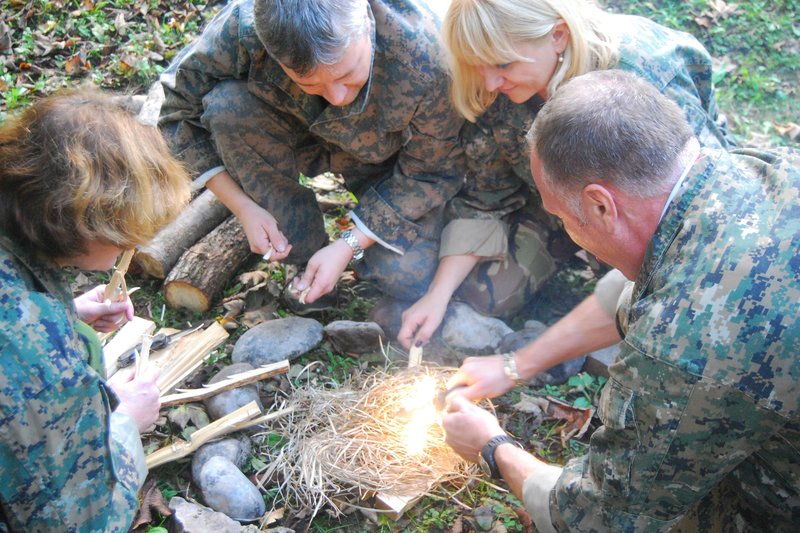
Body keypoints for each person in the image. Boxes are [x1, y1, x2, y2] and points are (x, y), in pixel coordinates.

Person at [442, 69, 799, 532]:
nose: (571, 233)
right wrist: (517, 365)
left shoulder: (683, 342)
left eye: (563, 217)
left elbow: (601, 517)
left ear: (600, 206)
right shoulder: (759, 173)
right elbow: (638, 289)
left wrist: (493, 447)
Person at [398, 0, 736, 349]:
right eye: (476, 65)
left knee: (657, 317)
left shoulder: (637, 69)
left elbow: (700, 194)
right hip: (558, 208)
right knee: (482, 293)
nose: (490, 80)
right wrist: (437, 295)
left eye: (503, 63)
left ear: (558, 35)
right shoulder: (494, 87)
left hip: (641, 212)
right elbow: (487, 195)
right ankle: (582, 262)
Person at [158, 0, 466, 310]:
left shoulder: (426, 54)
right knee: (228, 107)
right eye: (309, 82)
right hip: (294, 130)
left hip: (385, 162)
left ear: (366, 24)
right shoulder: (243, 27)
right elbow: (176, 113)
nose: (338, 97)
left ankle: (354, 253)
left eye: (348, 75)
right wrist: (243, 207)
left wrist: (349, 245)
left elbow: (431, 171)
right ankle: (304, 259)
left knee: (407, 277)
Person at [0, 87, 192, 531]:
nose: (134, 244)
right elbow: (78, 520)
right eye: (125, 232)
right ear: (83, 224)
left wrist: (65, 314)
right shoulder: (35, 359)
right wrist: (125, 422)